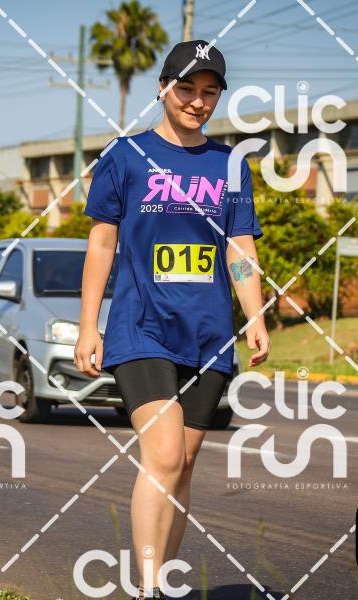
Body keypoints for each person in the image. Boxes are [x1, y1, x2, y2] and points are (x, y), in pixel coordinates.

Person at [74, 41, 269, 599]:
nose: (197, 101)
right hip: (142, 328)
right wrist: (89, 324)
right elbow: (102, 243)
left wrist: (255, 314)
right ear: (163, 88)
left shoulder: (229, 165)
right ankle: (148, 588)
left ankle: (161, 581)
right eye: (186, 89)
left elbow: (239, 247)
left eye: (209, 92)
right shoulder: (125, 156)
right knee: (160, 454)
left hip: (208, 334)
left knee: (182, 464)